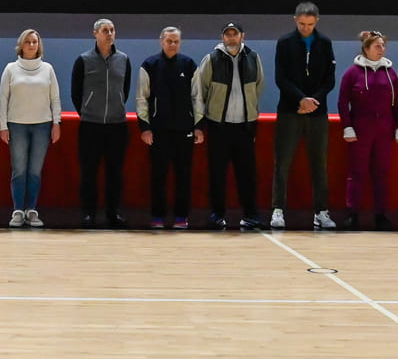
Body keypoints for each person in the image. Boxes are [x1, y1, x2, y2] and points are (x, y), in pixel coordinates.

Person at [271, 2, 336, 229]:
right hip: (290, 111)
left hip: (318, 112)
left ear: (316, 21)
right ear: (295, 20)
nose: (305, 28)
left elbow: (329, 79)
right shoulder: (285, 42)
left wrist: (313, 101)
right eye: (301, 24)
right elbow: (281, 78)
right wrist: (300, 99)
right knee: (282, 162)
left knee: (319, 163)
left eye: (309, 24)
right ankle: (278, 210)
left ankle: (321, 212)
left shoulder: (325, 43)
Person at [196, 22, 265, 229]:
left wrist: (250, 114)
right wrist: (201, 122)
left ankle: (250, 214)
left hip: (244, 127)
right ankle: (217, 214)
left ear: (243, 36)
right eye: (228, 34)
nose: (231, 37)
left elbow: (259, 86)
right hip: (219, 126)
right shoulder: (211, 59)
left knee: (247, 174)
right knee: (217, 174)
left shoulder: (253, 58)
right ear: (222, 37)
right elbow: (200, 91)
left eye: (235, 34)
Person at [337, 30, 398, 231]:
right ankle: (352, 213)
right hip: (361, 129)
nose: (381, 49)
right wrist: (347, 126)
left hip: (384, 129)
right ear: (366, 48)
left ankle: (380, 214)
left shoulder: (390, 73)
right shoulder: (352, 73)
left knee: (381, 172)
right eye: (377, 46)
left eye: (383, 45)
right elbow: (343, 102)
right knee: (357, 172)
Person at [136, 27, 203, 229]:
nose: (173, 44)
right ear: (161, 41)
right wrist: (145, 127)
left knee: (184, 175)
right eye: (169, 41)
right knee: (158, 175)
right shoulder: (150, 65)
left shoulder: (189, 65)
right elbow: (142, 98)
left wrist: (198, 126)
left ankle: (181, 217)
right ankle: (157, 216)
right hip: (158, 131)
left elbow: (197, 97)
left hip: (184, 130)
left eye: (176, 41)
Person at [71, 18, 132, 228]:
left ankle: (113, 213)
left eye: (112, 30)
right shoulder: (83, 60)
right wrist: (87, 111)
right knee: (89, 172)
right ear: (95, 33)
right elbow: (76, 92)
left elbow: (125, 89)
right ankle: (88, 213)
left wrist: (116, 108)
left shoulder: (123, 59)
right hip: (90, 125)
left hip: (117, 125)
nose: (109, 34)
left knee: (115, 172)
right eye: (105, 30)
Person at [0, 29, 62, 228]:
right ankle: (18, 211)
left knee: (35, 171)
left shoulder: (48, 69)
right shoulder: (10, 69)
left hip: (42, 125)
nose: (32, 45)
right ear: (21, 45)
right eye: (28, 42)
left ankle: (31, 210)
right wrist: (3, 126)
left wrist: (56, 123)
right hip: (17, 125)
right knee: (19, 170)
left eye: (35, 42)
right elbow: (3, 98)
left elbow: (55, 98)